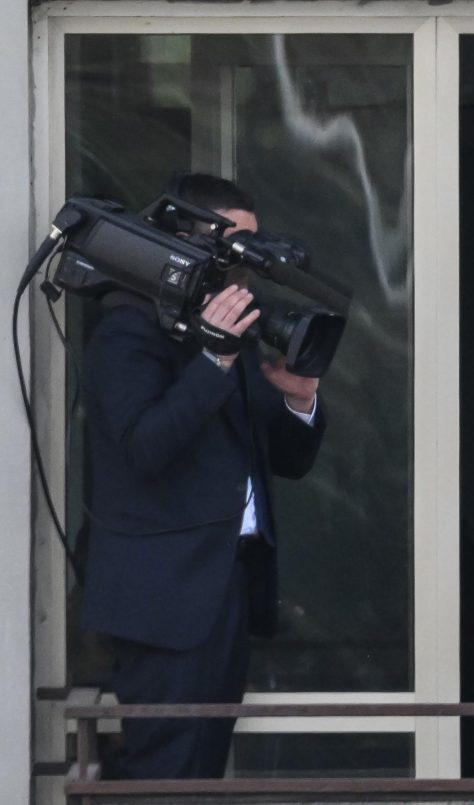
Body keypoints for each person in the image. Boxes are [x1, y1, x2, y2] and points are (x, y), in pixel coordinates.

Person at [80, 173, 328, 779]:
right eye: (235, 247)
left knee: (203, 769)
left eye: (252, 246)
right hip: (164, 596)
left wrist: (301, 401)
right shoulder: (128, 330)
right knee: (164, 770)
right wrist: (214, 358)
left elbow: (288, 461)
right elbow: (146, 448)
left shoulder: (231, 336)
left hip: (227, 583)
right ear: (187, 242)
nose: (247, 264)